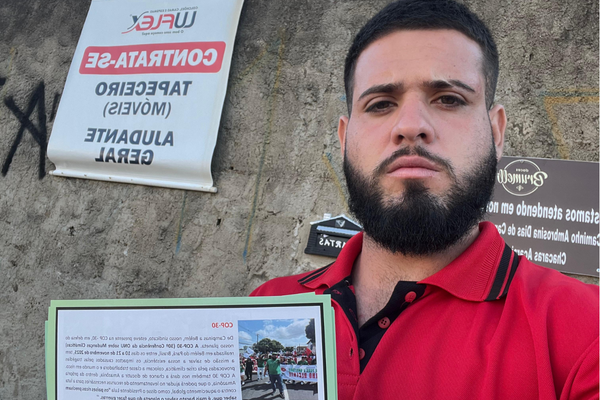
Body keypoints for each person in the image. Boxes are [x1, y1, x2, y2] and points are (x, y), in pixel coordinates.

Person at [251, 1, 599, 399]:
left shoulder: (586, 332)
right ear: (345, 139)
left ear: (496, 132)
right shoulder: (266, 306)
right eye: (381, 104)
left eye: (449, 99)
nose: (411, 126)